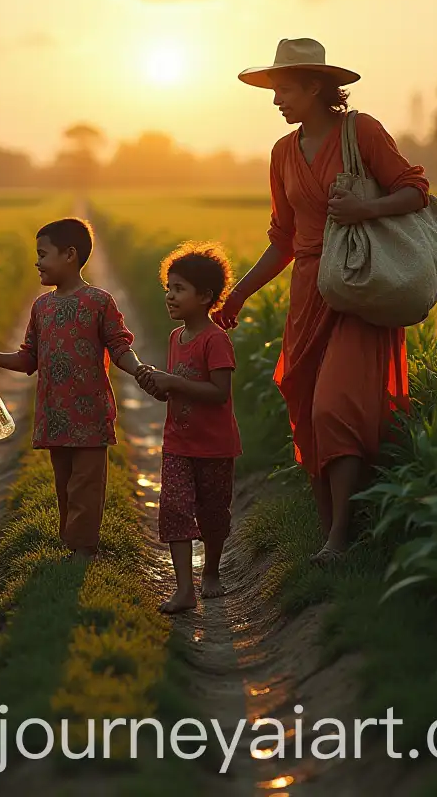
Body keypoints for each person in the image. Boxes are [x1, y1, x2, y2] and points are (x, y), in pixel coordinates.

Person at [214, 38, 429, 565]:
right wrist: (237, 295)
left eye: (284, 89)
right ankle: (329, 527)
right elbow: (283, 241)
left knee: (335, 406)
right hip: (309, 292)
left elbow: (415, 190)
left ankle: (339, 539)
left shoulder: (362, 132)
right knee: (306, 406)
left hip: (356, 287)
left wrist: (364, 209)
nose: (276, 100)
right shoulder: (282, 153)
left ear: (315, 87)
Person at [0, 218, 147, 562]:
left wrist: (140, 370)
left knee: (86, 486)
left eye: (43, 254)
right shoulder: (41, 307)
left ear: (69, 255)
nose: (37, 262)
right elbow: (28, 359)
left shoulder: (99, 302)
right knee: (65, 485)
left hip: (90, 415)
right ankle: (72, 545)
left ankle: (84, 550)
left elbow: (120, 347)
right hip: (55, 415)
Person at [136, 243, 242, 615]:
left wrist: (174, 383)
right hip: (178, 443)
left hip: (215, 446)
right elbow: (178, 389)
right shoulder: (174, 338)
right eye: (168, 288)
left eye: (179, 289)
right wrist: (158, 387)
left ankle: (210, 571)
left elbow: (219, 392)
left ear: (205, 296)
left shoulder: (216, 340)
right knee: (174, 509)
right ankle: (184, 589)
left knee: (213, 516)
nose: (169, 295)